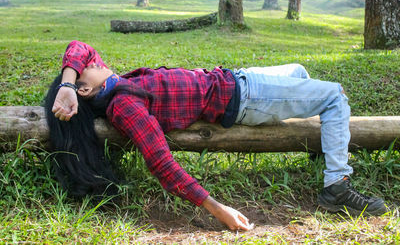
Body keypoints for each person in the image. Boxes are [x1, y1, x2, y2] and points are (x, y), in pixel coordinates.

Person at [47, 40, 387, 231]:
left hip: (236, 78)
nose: (91, 61)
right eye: (85, 69)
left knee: (299, 71)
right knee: (333, 96)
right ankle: (336, 186)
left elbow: (80, 47)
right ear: (88, 88)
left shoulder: (111, 83)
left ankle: (323, 149)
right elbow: (160, 162)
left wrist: (66, 83)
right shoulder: (124, 105)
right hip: (243, 97)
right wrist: (216, 207)